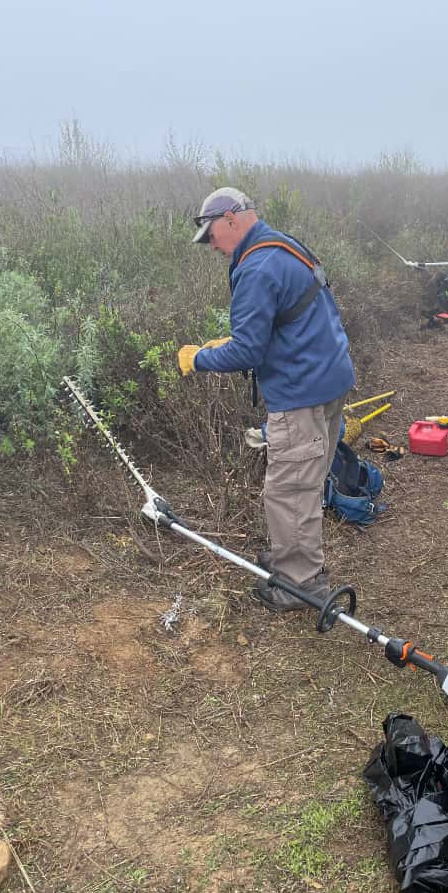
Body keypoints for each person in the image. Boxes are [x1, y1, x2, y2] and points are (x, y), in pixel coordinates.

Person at [174, 185, 356, 596]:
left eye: (212, 237)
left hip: (301, 392)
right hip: (330, 378)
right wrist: (232, 342)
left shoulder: (255, 268)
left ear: (231, 220)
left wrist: (198, 359)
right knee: (306, 480)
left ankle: (299, 583)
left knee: (289, 490)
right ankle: (293, 554)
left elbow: (248, 351)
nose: (213, 248)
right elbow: (287, 320)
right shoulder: (283, 246)